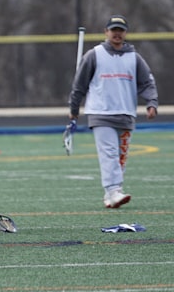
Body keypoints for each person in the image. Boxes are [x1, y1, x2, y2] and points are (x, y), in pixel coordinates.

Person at [68, 15, 159, 209]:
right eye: (113, 30)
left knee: (121, 156)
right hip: (101, 113)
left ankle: (111, 195)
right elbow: (79, 84)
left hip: (126, 114)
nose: (117, 33)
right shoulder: (94, 55)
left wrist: (151, 103)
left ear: (125, 33)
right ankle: (113, 190)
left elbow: (147, 83)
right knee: (109, 153)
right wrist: (74, 108)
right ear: (106, 32)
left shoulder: (134, 58)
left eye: (120, 30)